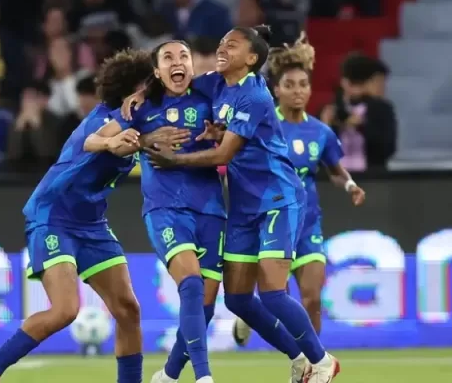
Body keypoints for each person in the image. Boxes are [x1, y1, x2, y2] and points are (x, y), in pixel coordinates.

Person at [128, 26, 341, 383]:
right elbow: (173, 82)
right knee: (238, 301)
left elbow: (225, 154)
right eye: (222, 41)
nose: (222, 48)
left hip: (277, 197)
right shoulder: (213, 84)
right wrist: (137, 93)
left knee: (273, 293)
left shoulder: (254, 96)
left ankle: (320, 359)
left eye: (232, 45)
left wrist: (174, 160)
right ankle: (297, 358)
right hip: (242, 205)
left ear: (252, 59)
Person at [0, 50, 181, 383]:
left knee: (128, 309)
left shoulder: (141, 120)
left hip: (92, 224)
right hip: (53, 216)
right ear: (131, 89)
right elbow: (96, 142)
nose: (154, 92)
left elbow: (139, 144)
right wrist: (113, 144)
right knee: (66, 310)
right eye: (148, 86)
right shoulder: (105, 117)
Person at [86, 40, 225, 383]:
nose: (177, 63)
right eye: (168, 58)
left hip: (211, 209)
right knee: (190, 285)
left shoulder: (210, 99)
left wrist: (218, 134)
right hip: (166, 209)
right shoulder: (142, 108)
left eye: (183, 57)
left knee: (204, 306)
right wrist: (128, 141)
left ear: (192, 66)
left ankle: (169, 375)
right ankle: (204, 377)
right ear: (157, 71)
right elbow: (92, 140)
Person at [231, 35, 365, 342]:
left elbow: (333, 168)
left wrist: (349, 184)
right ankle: (249, 313)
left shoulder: (321, 132)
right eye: (289, 85)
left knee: (312, 298)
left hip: (306, 223)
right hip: (269, 219)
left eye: (303, 85)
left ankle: (309, 364)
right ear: (276, 89)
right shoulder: (261, 126)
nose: (297, 91)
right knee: (277, 297)